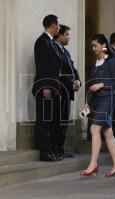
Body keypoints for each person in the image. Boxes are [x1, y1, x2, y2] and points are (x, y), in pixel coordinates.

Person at [80, 34, 115, 177]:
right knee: (108, 133)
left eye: (95, 46)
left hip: (109, 97)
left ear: (103, 45)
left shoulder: (112, 60)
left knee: (94, 128)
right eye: (92, 46)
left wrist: (102, 84)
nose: (93, 49)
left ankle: (93, 164)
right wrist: (88, 102)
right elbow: (92, 85)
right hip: (97, 100)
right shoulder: (95, 63)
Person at [32, 14, 62, 162]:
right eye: (58, 25)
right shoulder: (42, 42)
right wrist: (45, 87)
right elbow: (42, 66)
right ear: (53, 25)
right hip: (46, 88)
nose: (59, 27)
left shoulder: (51, 42)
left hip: (53, 88)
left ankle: (49, 149)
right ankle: (44, 151)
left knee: (50, 120)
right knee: (44, 120)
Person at [54, 25, 81, 158]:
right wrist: (71, 84)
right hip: (60, 92)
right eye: (67, 34)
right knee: (58, 122)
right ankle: (56, 149)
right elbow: (58, 74)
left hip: (67, 92)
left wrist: (78, 81)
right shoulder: (55, 50)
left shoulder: (65, 51)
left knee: (64, 121)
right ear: (60, 36)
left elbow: (73, 69)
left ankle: (60, 149)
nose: (69, 37)